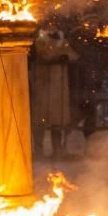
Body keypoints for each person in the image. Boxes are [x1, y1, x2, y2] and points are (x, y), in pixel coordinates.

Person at [32, 22, 78, 157]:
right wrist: (59, 55)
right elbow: (43, 55)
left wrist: (66, 57)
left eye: (55, 26)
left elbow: (73, 55)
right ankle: (38, 149)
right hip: (42, 82)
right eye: (50, 26)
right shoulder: (40, 41)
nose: (53, 28)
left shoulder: (62, 40)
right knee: (40, 119)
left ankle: (57, 149)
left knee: (57, 120)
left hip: (59, 84)